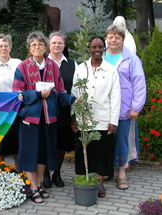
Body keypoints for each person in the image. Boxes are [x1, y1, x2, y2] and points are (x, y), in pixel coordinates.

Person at [13, 31, 76, 204]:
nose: (37, 47)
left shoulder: (53, 67)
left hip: (49, 119)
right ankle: (32, 187)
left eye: (40, 44)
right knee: (30, 153)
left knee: (44, 154)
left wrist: (73, 100)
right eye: (34, 45)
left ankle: (39, 184)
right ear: (29, 48)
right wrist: (38, 94)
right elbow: (18, 94)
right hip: (30, 119)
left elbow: (61, 92)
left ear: (46, 47)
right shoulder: (23, 67)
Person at [72, 36, 121, 198]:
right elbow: (75, 93)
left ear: (104, 49)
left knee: (103, 153)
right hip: (84, 119)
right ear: (89, 49)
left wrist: (113, 121)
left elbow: (115, 97)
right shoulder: (81, 68)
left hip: (103, 119)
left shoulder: (111, 70)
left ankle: (100, 183)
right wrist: (74, 117)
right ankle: (87, 178)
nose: (97, 50)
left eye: (100, 47)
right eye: (94, 47)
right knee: (87, 151)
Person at [105, 25, 146, 190]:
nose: (114, 40)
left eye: (117, 37)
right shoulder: (100, 55)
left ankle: (122, 173)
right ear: (106, 38)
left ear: (123, 39)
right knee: (104, 140)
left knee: (122, 141)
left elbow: (139, 83)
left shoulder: (132, 59)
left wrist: (136, 107)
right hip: (104, 108)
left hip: (124, 108)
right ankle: (106, 170)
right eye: (111, 36)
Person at [43, 31, 78, 188]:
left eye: (60, 43)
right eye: (54, 43)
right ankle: (45, 175)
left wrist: (75, 113)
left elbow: (76, 89)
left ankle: (57, 173)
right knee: (45, 143)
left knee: (61, 144)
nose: (57, 45)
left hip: (64, 110)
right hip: (45, 110)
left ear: (64, 45)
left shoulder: (72, 64)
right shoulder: (42, 63)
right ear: (48, 45)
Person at [0, 34, 22, 168]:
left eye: (6, 45)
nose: (3, 48)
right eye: (0, 46)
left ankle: (20, 173)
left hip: (16, 109)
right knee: (0, 142)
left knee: (16, 141)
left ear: (10, 47)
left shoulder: (18, 63)